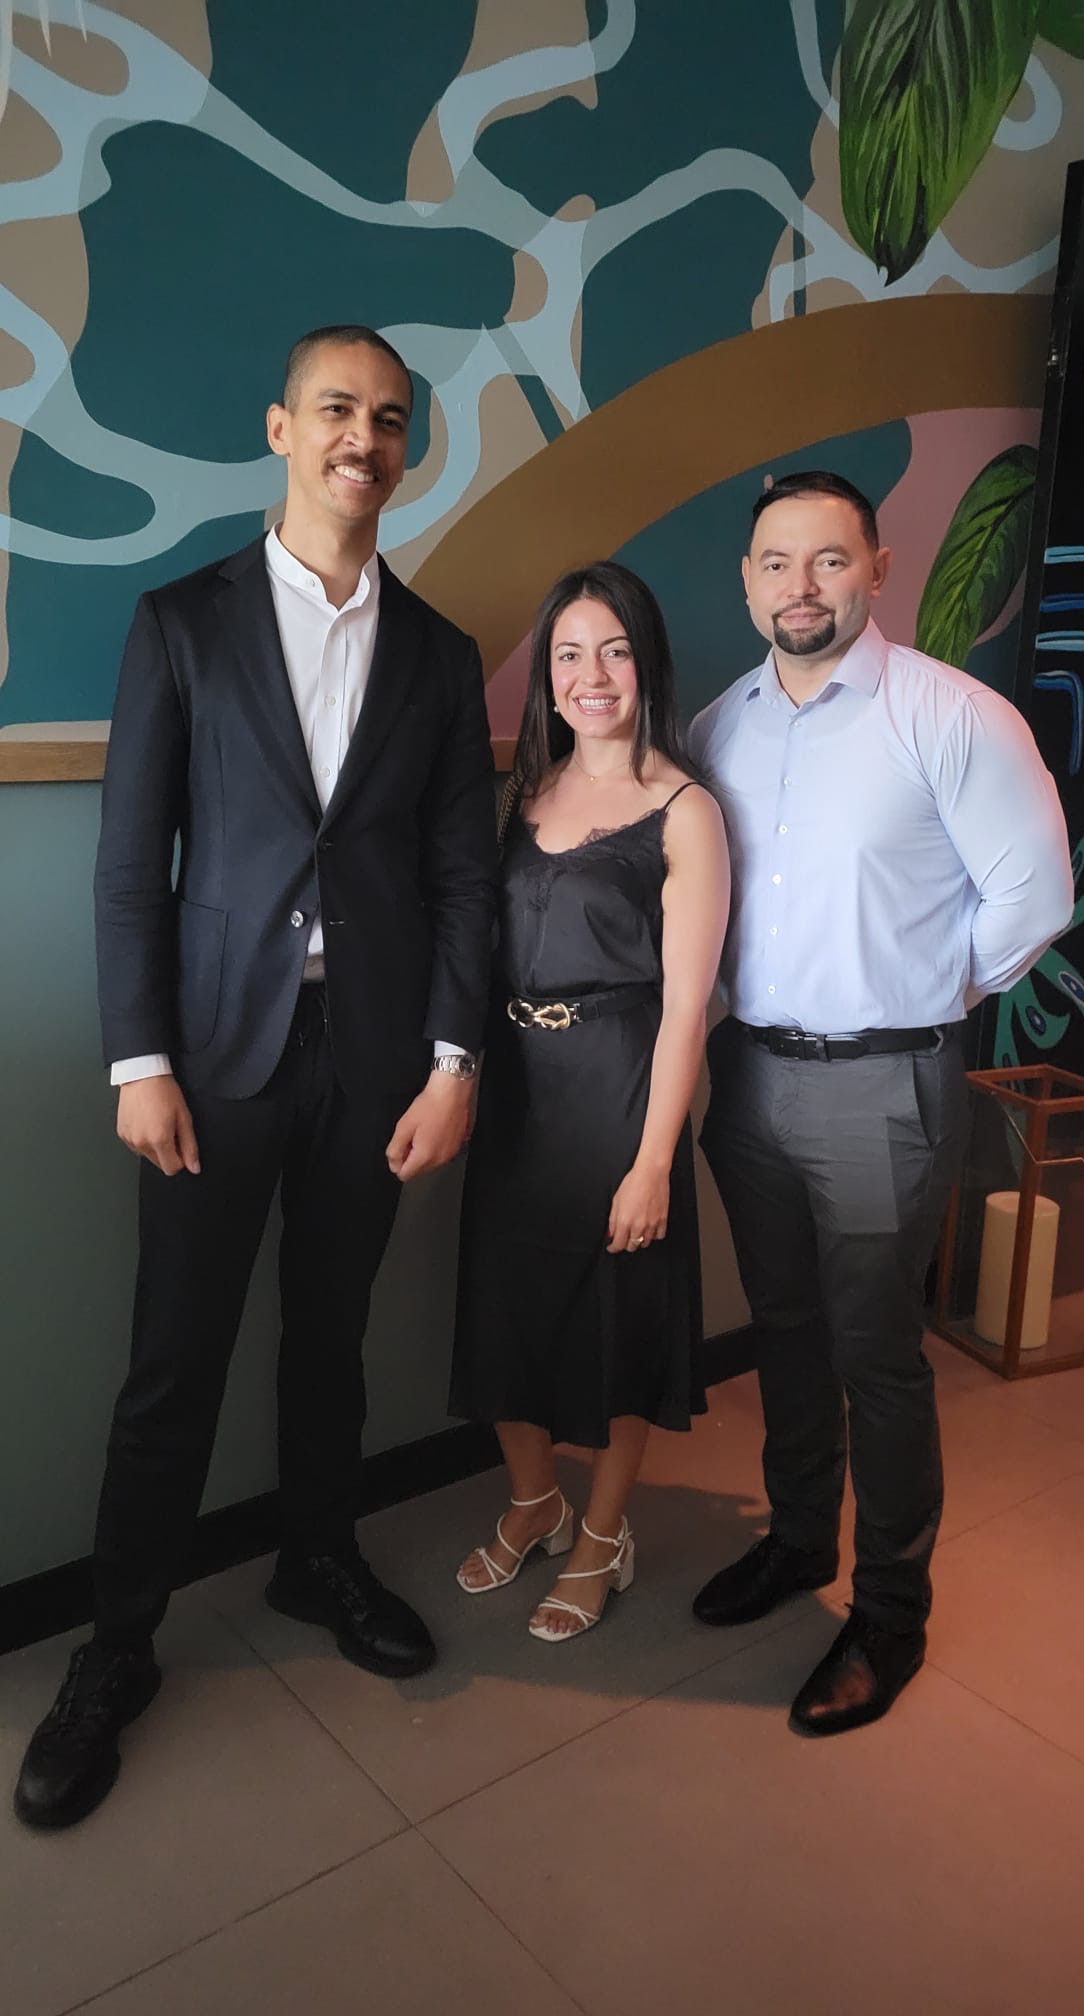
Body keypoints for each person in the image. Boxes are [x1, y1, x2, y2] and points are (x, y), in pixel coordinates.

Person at [15, 325, 497, 1829]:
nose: (366, 438)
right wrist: (137, 1058)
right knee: (171, 1368)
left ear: (406, 453)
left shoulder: (438, 652)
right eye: (339, 411)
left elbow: (461, 881)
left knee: (330, 1340)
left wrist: (454, 1058)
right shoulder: (180, 622)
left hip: (371, 1066)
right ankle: (117, 1648)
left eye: (391, 420)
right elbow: (124, 869)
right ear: (279, 428)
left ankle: (315, 1559)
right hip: (210, 1066)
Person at [689, 470, 1074, 1735]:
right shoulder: (717, 727)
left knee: (876, 1357)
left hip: (882, 1082)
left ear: (880, 566)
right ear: (746, 579)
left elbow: (1033, 895)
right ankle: (801, 1540)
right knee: (786, 1335)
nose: (801, 586)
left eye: (828, 561)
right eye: (775, 563)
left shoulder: (952, 716)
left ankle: (888, 1616)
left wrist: (922, 990)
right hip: (749, 1078)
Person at [449, 561, 730, 1639]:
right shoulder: (520, 793)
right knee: (502, 1316)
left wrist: (656, 1158)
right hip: (517, 1094)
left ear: (645, 660)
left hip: (621, 1087)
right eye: (569, 654)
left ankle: (605, 1535)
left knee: (619, 1324)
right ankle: (537, 1502)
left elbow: (685, 1008)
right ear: (548, 675)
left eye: (613, 649)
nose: (592, 674)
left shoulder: (684, 809)